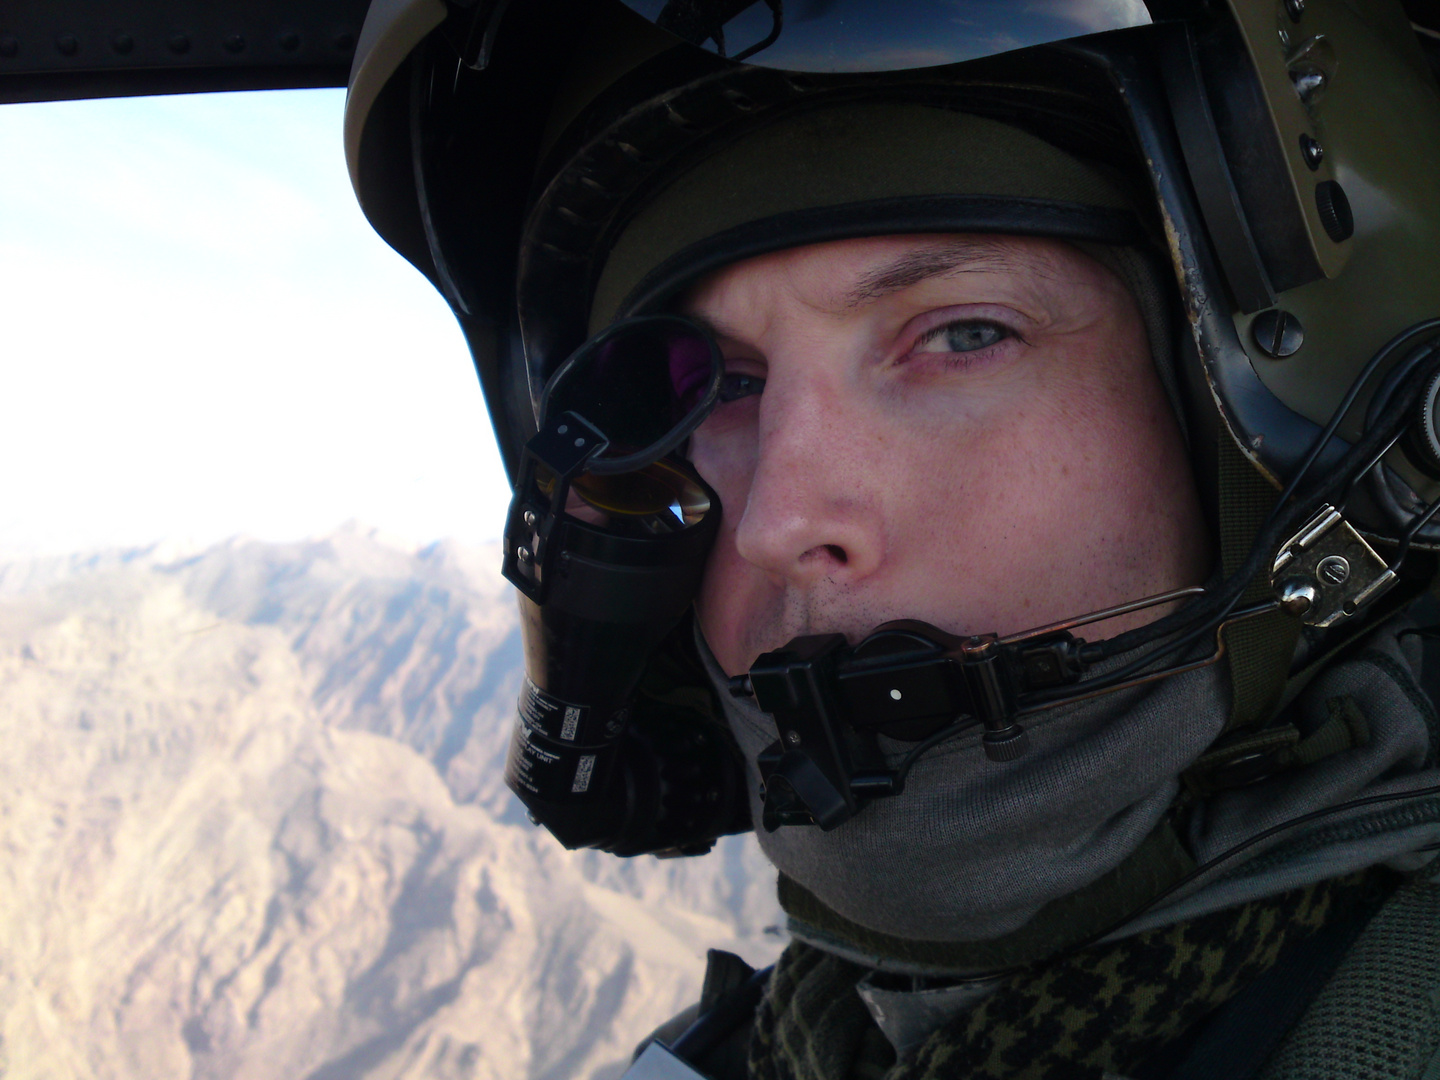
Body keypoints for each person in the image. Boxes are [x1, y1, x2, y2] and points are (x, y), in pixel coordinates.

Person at [342, 1, 1440, 1075]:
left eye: (966, 334)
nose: (779, 520)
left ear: (1298, 436)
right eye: (719, 388)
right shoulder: (761, 1047)